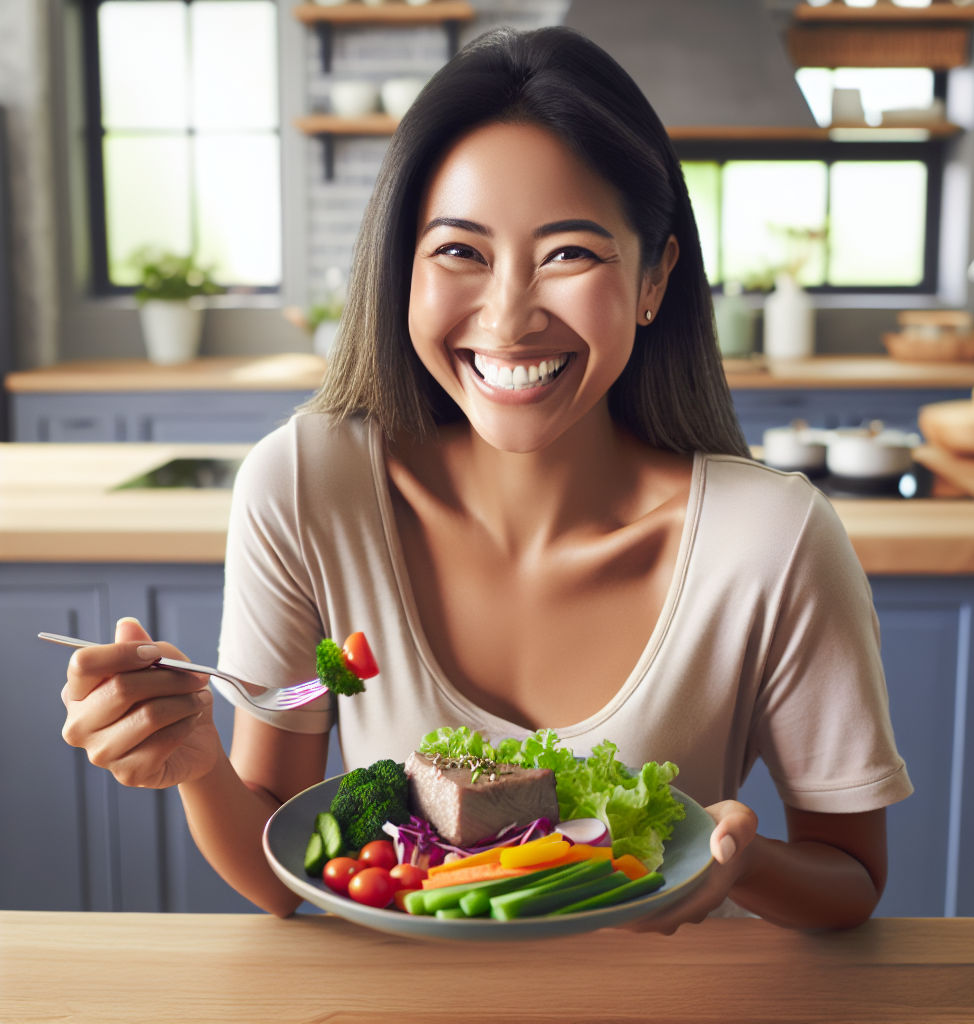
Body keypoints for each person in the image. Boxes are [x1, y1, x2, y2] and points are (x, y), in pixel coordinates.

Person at [60, 26, 911, 931]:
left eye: (570, 253)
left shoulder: (773, 540)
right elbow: (282, 871)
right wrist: (198, 765)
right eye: (461, 252)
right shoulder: (308, 489)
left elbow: (849, 881)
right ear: (404, 268)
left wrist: (737, 858)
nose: (508, 319)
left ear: (657, 277)